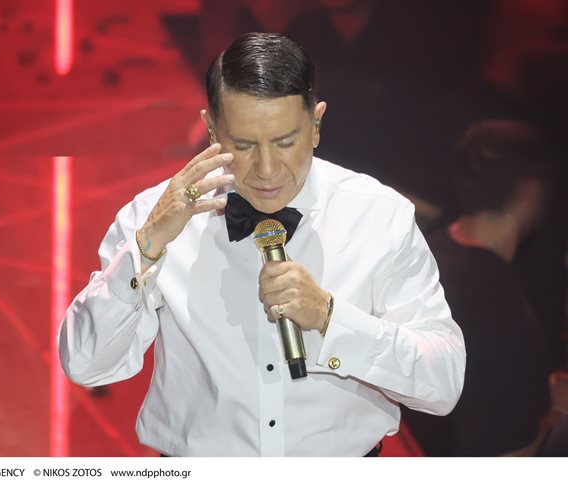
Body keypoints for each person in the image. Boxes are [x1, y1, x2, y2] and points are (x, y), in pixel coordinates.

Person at [59, 32, 465, 456]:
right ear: (211, 129)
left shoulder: (379, 216)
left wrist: (330, 319)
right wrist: (148, 247)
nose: (267, 169)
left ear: (317, 125)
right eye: (244, 145)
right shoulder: (154, 217)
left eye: (286, 142)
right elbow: (86, 365)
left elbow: (443, 384)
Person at [403, 119, 565, 456]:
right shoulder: (503, 309)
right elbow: (509, 454)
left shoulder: (420, 255)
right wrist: (557, 417)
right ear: (530, 192)